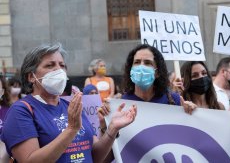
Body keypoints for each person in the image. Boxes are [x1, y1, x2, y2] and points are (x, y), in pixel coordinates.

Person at [1, 44, 137, 162]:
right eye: (50, 65)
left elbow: (95, 156)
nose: (58, 70)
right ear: (31, 77)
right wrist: (71, 130)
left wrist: (112, 129)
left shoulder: (71, 107)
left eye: (62, 65)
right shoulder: (21, 111)